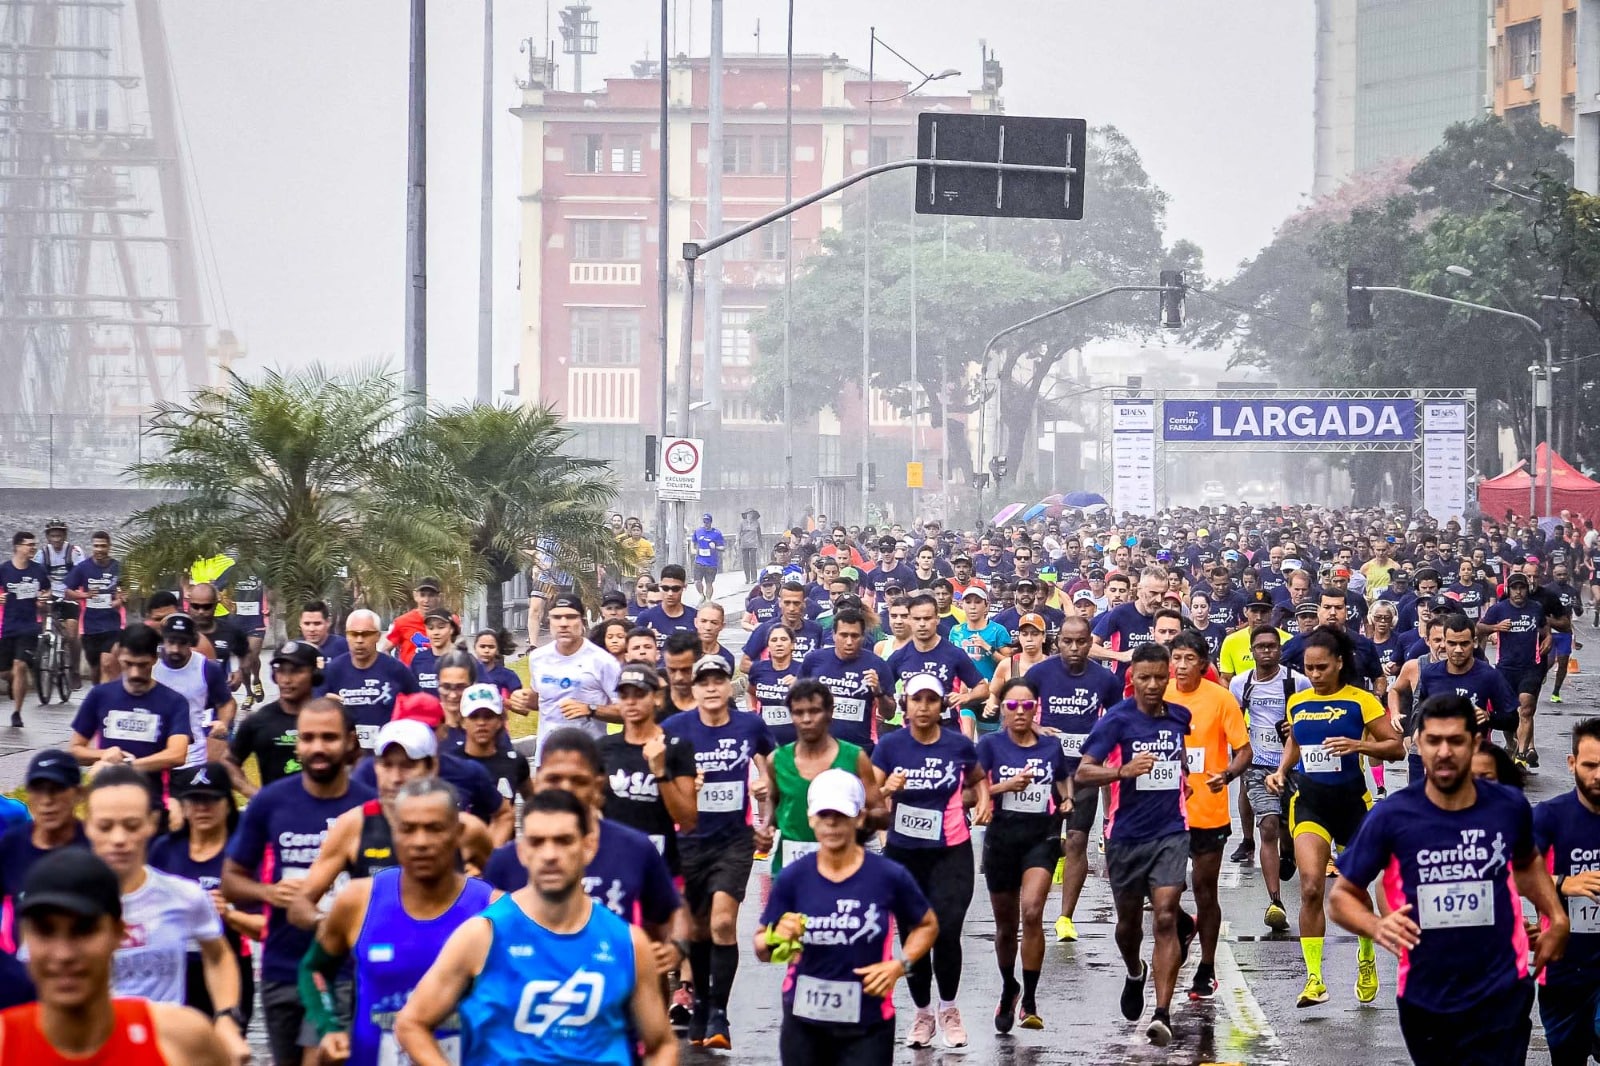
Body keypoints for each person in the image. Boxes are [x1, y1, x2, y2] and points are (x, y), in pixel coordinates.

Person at [1328, 694, 1567, 1065]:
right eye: (1433, 741)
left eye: (1455, 741)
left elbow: (1527, 864)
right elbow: (1342, 896)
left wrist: (1556, 916)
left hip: (1502, 986)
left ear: (1474, 744)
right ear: (1417, 745)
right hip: (1426, 994)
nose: (1444, 752)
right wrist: (1377, 926)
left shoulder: (1508, 806)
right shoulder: (1392, 815)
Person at [394, 789, 677, 1066]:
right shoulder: (482, 936)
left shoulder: (627, 942)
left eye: (563, 840)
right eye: (538, 842)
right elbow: (411, 1023)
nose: (550, 854)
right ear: (522, 851)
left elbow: (661, 1044)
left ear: (588, 846)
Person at [298, 777, 494, 1066]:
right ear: (394, 833)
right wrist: (329, 1028)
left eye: (434, 829)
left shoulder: (493, 909)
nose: (421, 842)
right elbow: (313, 970)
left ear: (458, 832)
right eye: (408, 829)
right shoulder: (358, 900)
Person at [222, 698, 375, 1066]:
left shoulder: (370, 809)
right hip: (282, 966)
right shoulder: (271, 802)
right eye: (308, 738)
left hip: (346, 970)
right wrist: (267, 892)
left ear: (350, 741)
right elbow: (231, 879)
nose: (318, 748)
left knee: (323, 1058)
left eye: (329, 737)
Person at [755, 769, 937, 1065]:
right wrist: (776, 938)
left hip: (868, 1023)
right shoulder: (793, 878)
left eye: (841, 814)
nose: (832, 823)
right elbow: (762, 948)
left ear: (860, 818)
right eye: (824, 814)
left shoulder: (888, 876)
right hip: (804, 1022)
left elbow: (927, 924)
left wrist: (899, 965)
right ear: (811, 819)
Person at [1265, 625, 1402, 1010]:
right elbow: (1296, 742)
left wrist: (1357, 744)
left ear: (1339, 663)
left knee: (1354, 889)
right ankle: (1314, 979)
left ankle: (1365, 956)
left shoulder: (1361, 701)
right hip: (1310, 803)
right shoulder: (1298, 703)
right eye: (1309, 668)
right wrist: (1280, 771)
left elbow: (1397, 748)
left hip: (1352, 807)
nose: (1314, 674)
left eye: (1322, 667)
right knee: (1311, 887)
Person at [79, 766, 250, 1065]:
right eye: (106, 826)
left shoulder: (184, 896)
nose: (119, 838)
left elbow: (219, 956)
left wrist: (225, 1017)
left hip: (165, 1049)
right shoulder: (66, 903)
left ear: (152, 823)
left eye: (131, 825)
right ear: (88, 827)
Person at [2, 848, 230, 1066]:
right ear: (25, 938)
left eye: (83, 930)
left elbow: (219, 955)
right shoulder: (5, 1044)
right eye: (45, 931)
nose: (64, 954)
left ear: (119, 933)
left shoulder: (183, 1041)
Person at [1074, 642, 1190, 1047]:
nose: (1154, 684)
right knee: (1129, 925)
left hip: (1172, 832)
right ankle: (1135, 970)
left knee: (1163, 917)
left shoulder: (1180, 718)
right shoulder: (1116, 722)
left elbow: (1180, 760)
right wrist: (1122, 770)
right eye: (1145, 677)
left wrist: (1184, 781)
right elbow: (1084, 772)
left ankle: (1162, 1013)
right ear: (1132, 679)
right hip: (1124, 836)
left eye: (1161, 676)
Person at [662, 656, 775, 1049]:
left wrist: (767, 816)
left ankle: (719, 1013)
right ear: (693, 689)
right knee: (696, 928)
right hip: (688, 841)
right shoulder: (675, 730)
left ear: (731, 686)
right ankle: (702, 999)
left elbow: (769, 769)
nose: (711, 688)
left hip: (734, 840)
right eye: (703, 681)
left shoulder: (749, 725)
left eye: (718, 681)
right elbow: (659, 781)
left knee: (723, 923)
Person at [870, 673, 986, 1049]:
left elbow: (978, 778)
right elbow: (871, 795)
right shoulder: (890, 746)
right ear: (905, 705)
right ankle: (922, 1014)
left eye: (930, 701)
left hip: (951, 849)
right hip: (905, 853)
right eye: (916, 700)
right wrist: (888, 789)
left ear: (941, 706)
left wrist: (982, 800)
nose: (923, 707)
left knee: (947, 930)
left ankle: (949, 1009)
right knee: (913, 934)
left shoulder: (957, 745)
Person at [289, 719, 494, 922]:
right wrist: (336, 929)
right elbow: (301, 903)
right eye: (387, 765)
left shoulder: (466, 829)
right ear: (376, 767)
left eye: (407, 766)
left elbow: (508, 899)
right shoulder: (354, 825)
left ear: (432, 767)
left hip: (448, 950)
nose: (396, 778)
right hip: (377, 952)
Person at [977, 676, 1070, 1031]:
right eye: (1012, 706)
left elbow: (1062, 778)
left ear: (1036, 709)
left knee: (1032, 912)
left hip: (1040, 838)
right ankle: (1009, 987)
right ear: (1002, 709)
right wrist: (1004, 786)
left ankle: (1030, 998)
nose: (1019, 712)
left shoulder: (1049, 746)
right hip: (1001, 838)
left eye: (1027, 705)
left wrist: (1069, 797)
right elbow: (972, 790)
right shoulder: (989, 745)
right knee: (1005, 926)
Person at [1021, 615, 1120, 944]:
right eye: (1068, 641)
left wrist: (1100, 746)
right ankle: (1036, 902)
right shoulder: (1040, 673)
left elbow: (1118, 720)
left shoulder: (1104, 679)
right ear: (1057, 641)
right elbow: (1016, 708)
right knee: (1044, 842)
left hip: (1084, 773)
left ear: (1091, 642)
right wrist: (1037, 730)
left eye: (1081, 641)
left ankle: (1065, 917)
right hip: (1047, 772)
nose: (1075, 648)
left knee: (1078, 840)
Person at [1168, 630, 1251, 1000]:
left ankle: (1206, 967)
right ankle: (1185, 926)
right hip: (1166, 812)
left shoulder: (1220, 699)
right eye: (1177, 658)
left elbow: (1244, 750)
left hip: (1209, 811)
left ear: (1203, 664)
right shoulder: (1161, 695)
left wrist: (1228, 775)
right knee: (1164, 893)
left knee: (1205, 890)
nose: (1182, 666)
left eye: (1189, 659)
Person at [150, 764, 262, 1025]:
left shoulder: (243, 854)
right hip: (175, 972)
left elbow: (265, 928)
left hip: (230, 968)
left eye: (211, 800)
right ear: (184, 806)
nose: (202, 808)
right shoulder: (164, 850)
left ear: (227, 804)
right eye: (194, 800)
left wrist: (228, 915)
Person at [1228, 624, 1309, 930]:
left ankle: (1288, 854)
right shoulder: (1240, 684)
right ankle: (1275, 902)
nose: (1266, 651)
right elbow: (1234, 721)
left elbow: (1306, 716)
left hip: (1292, 765)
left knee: (1288, 824)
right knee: (1269, 825)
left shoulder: (1296, 681)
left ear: (1279, 649)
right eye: (1260, 646)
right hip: (1258, 765)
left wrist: (1293, 726)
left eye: (1272, 646)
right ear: (1252, 651)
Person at [761, 680, 883, 876]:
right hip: (790, 871)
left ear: (830, 712)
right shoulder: (777, 760)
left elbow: (880, 812)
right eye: (798, 713)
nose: (807, 719)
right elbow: (774, 802)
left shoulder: (854, 757)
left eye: (814, 711)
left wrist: (856, 818)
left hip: (842, 869)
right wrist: (766, 827)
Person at [1532, 716, 1600, 1066]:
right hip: (1562, 968)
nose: (1599, 775)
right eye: (1590, 766)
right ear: (1572, 763)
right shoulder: (1550, 817)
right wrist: (1562, 883)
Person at [67, 625, 191, 777]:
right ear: (118, 656)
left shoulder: (174, 702)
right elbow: (75, 750)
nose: (135, 673)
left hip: (151, 795)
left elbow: (177, 755)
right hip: (106, 793)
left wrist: (128, 766)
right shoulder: (100, 695)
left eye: (142, 665)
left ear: (154, 659)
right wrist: (103, 754)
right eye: (128, 663)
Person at [0, 751, 87, 928]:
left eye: (57, 789)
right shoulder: (12, 844)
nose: (47, 800)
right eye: (38, 789)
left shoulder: (96, 847)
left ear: (79, 794)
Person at [885, 594, 989, 741]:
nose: (922, 624)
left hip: (948, 734)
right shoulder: (899, 657)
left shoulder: (953, 653)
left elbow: (983, 688)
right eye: (917, 619)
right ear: (909, 620)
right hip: (912, 735)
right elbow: (883, 689)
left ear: (937, 619)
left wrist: (966, 696)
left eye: (927, 618)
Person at [525, 593, 621, 751]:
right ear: (548, 621)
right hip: (547, 756)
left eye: (570, 617)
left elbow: (626, 712)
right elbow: (541, 700)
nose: (563, 623)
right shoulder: (537, 658)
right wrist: (523, 700)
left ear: (582, 622)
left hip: (589, 756)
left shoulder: (603, 661)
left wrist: (591, 709)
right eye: (557, 617)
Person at [317, 609, 422, 750]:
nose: (359, 640)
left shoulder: (395, 669)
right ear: (346, 636)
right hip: (347, 755)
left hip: (387, 754)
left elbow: (420, 703)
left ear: (378, 636)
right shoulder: (334, 670)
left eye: (366, 634)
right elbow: (314, 705)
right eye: (353, 634)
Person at [226, 640, 320, 796]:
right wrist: (254, 794)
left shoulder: (331, 718)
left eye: (296, 671)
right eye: (281, 671)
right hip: (276, 815)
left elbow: (356, 760)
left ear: (315, 674)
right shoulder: (259, 721)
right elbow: (228, 761)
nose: (286, 679)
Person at [1478, 571, 1550, 767]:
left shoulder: (1536, 608)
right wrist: (1496, 627)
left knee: (1526, 708)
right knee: (1508, 716)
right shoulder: (1499, 609)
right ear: (1509, 590)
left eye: (1522, 588)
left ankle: (1521, 755)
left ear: (1527, 589)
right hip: (1505, 668)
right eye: (1515, 588)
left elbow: (1544, 629)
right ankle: (1512, 743)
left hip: (1530, 667)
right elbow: (1478, 628)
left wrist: (1549, 639)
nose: (1518, 592)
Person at [797, 608, 893, 754]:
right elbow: (796, 701)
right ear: (834, 635)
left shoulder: (877, 664)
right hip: (818, 749)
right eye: (844, 635)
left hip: (859, 750)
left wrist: (878, 692)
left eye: (855, 636)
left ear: (863, 637)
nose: (849, 642)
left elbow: (889, 714)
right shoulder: (814, 660)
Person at [153, 614, 236, 769]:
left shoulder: (207, 668)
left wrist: (222, 723)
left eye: (182, 643)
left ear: (192, 642)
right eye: (171, 642)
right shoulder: (150, 667)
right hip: (156, 756)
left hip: (194, 757)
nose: (175, 649)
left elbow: (227, 702)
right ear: (163, 640)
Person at [1, 531, 49, 727]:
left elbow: (47, 589)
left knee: (20, 665)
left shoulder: (38, 570)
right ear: (17, 547)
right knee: (5, 671)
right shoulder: (4, 569)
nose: (33, 548)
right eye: (29, 545)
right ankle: (12, 680)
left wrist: (44, 598)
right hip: (7, 626)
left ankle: (17, 713)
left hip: (29, 627)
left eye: (34, 544)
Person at [455, 684, 531, 805]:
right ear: (463, 721)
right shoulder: (449, 763)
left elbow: (535, 804)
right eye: (474, 716)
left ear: (500, 720)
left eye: (488, 716)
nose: (481, 723)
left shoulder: (515, 762)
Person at [63, 531, 122, 686]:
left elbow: (129, 590)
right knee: (95, 670)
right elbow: (68, 592)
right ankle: (98, 694)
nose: (99, 549)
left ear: (109, 547)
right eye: (96, 546)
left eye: (103, 546)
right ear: (92, 547)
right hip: (91, 627)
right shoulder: (83, 568)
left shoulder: (118, 567)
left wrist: (120, 599)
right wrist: (85, 595)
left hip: (112, 625)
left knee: (107, 663)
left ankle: (105, 701)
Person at [747, 624, 800, 744]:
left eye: (784, 639)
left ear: (792, 645)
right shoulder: (757, 669)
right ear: (768, 646)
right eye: (774, 640)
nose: (779, 644)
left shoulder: (802, 670)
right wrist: (752, 712)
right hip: (766, 737)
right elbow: (750, 692)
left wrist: (800, 686)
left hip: (795, 739)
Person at [380, 577, 449, 666]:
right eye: (422, 595)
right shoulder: (402, 622)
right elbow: (385, 650)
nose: (426, 600)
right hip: (410, 678)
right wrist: (396, 670)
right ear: (415, 596)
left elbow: (459, 649)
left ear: (439, 597)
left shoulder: (449, 622)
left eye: (431, 595)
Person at [637, 565, 698, 650]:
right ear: (660, 586)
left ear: (684, 587)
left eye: (675, 589)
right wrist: (646, 639)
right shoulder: (645, 617)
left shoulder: (696, 617)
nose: (670, 593)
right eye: (665, 588)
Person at [406, 608, 461, 695]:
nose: (435, 632)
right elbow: (410, 693)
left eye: (441, 627)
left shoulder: (465, 660)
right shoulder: (418, 659)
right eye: (430, 628)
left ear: (452, 629)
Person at [691, 513, 725, 604]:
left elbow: (723, 548)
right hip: (699, 561)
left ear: (711, 522)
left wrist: (715, 547)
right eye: (704, 522)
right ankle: (702, 595)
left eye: (707, 522)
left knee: (709, 583)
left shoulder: (716, 533)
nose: (706, 523)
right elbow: (693, 541)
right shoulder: (698, 531)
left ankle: (708, 600)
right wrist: (693, 549)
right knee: (697, 581)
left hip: (711, 563)